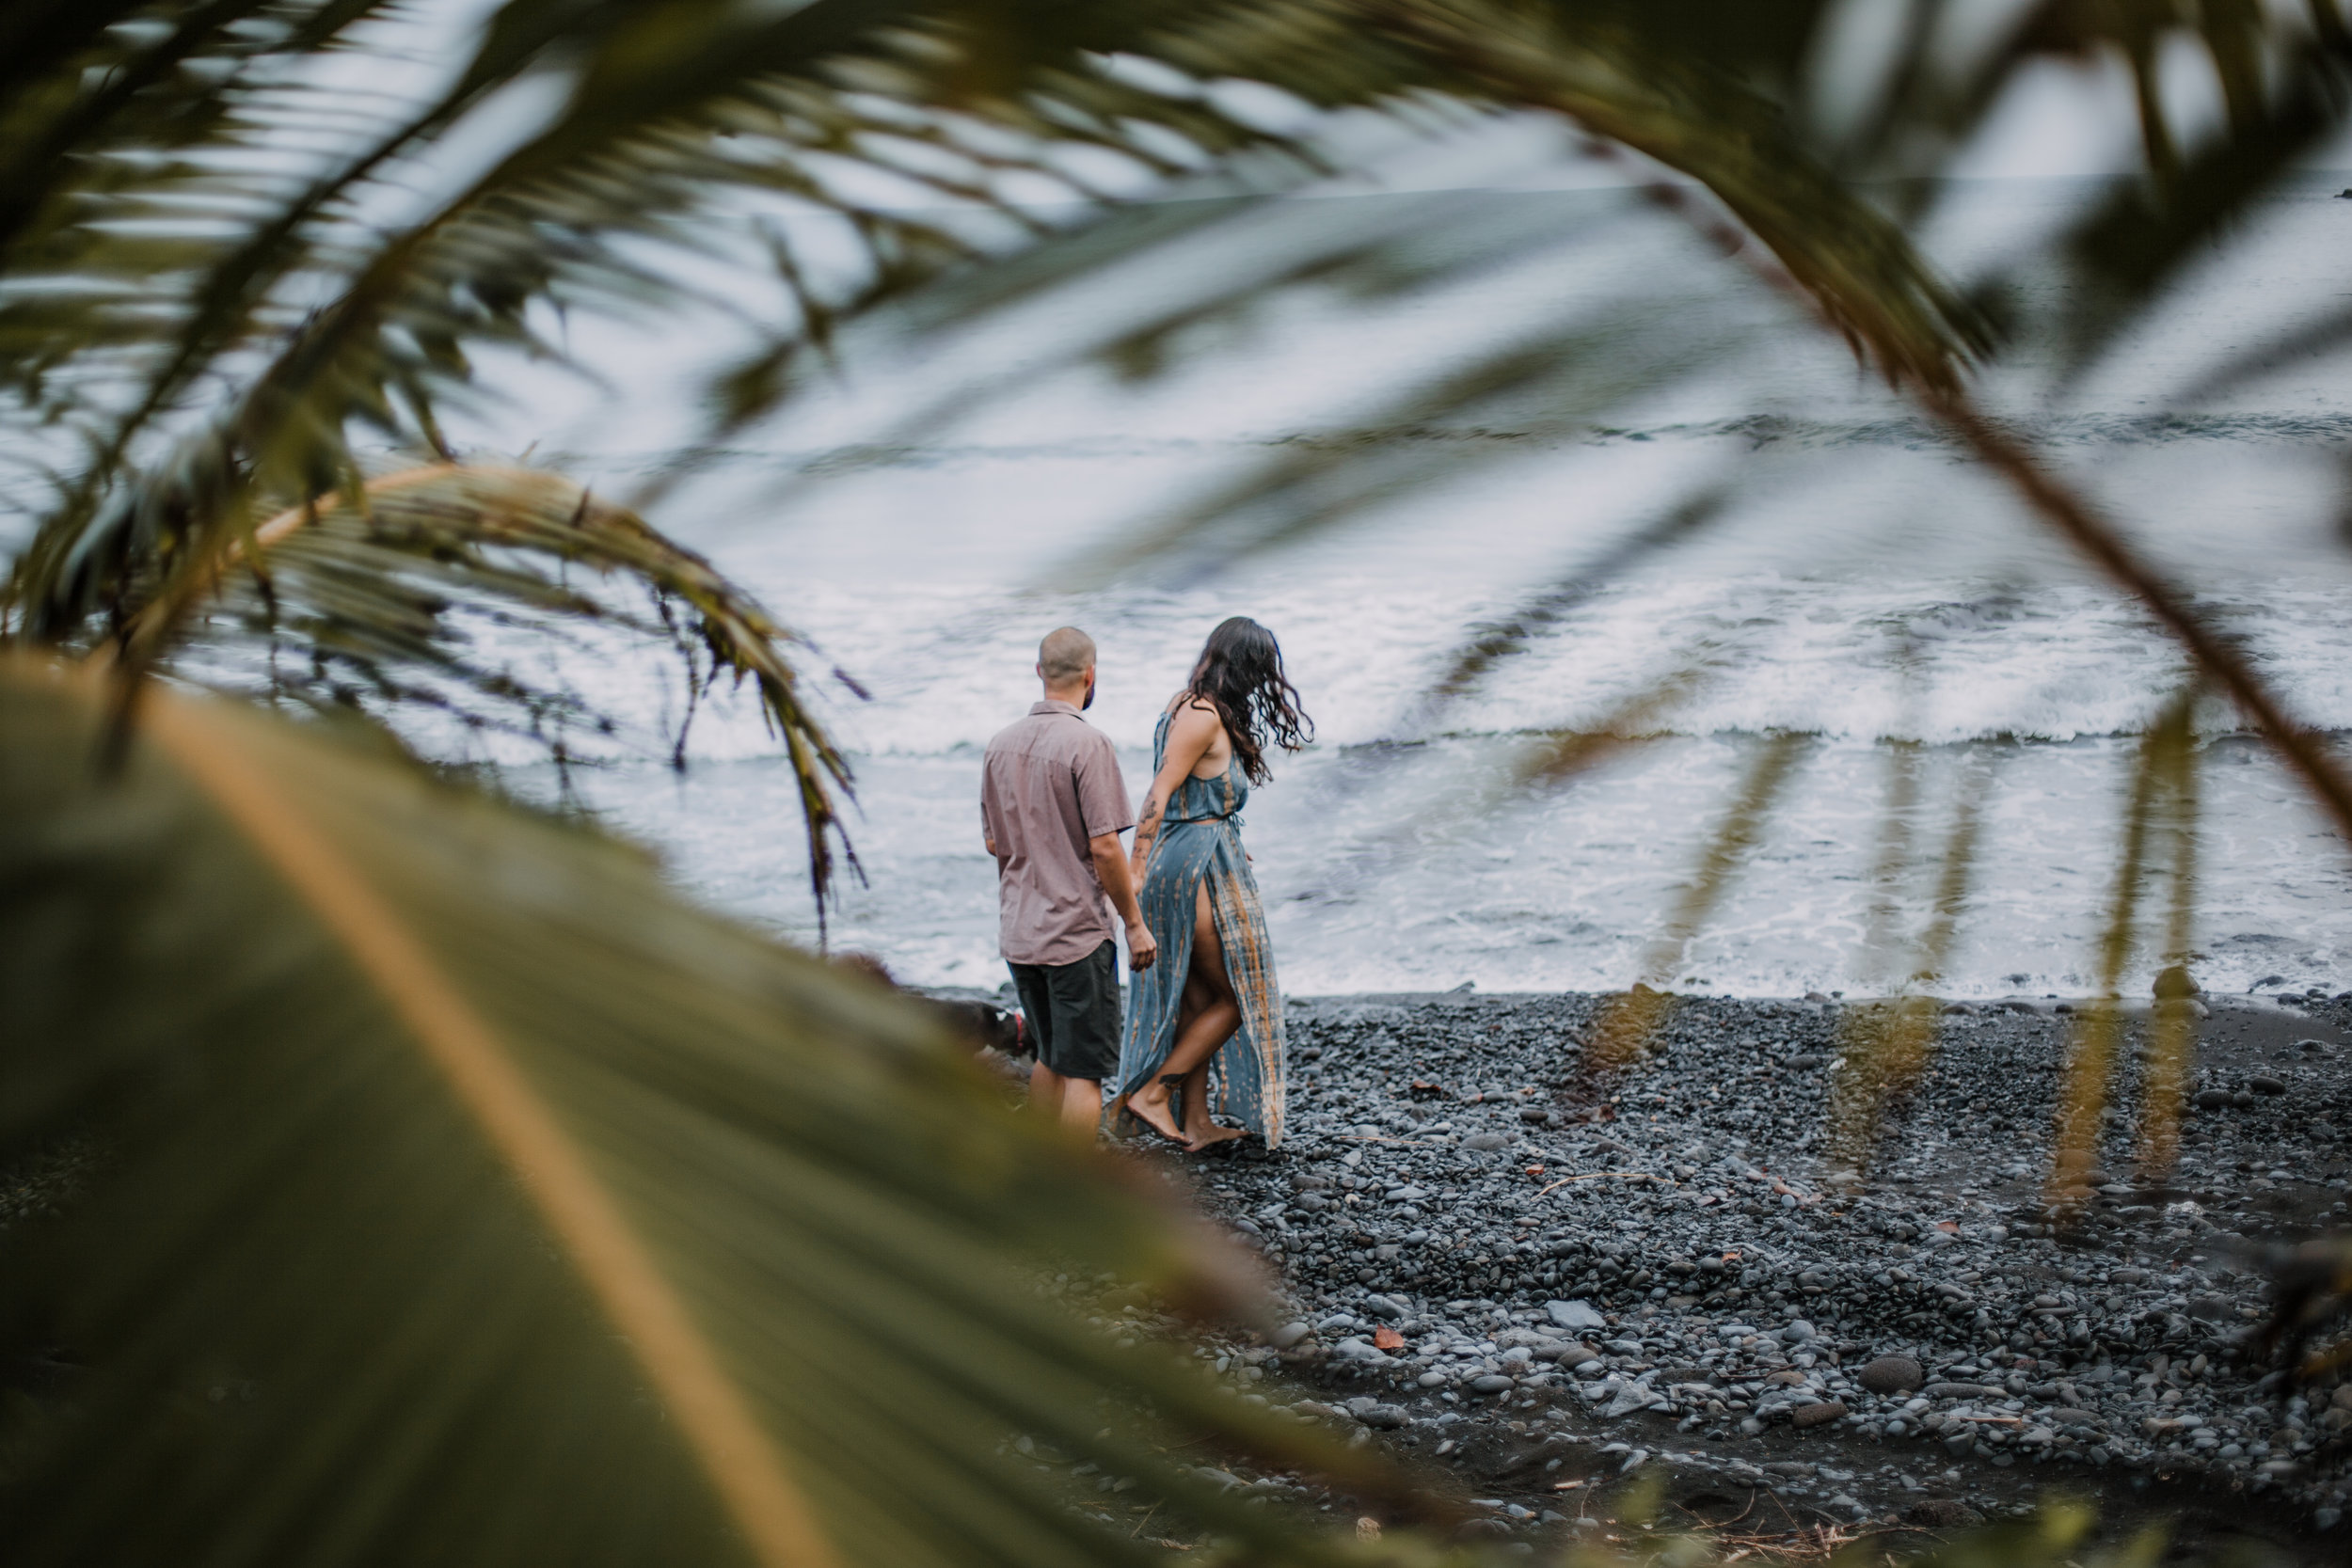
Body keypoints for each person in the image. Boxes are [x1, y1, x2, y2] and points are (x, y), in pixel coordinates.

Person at [1112, 617, 1311, 1151]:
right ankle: (1154, 1092)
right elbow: (1159, 793)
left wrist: (1225, 835)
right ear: (1245, 668)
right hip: (1188, 869)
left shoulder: (1188, 704)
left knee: (1200, 1000)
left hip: (1202, 856)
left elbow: (1190, 798)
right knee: (1236, 995)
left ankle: (1196, 1124)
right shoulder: (1200, 717)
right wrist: (1135, 867)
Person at [981, 626, 1157, 1137]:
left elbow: (995, 843)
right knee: (1084, 1072)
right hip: (1075, 936)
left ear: (1039, 672)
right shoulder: (1088, 743)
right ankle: (1073, 1194)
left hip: (1020, 931)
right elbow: (1105, 847)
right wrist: (1134, 924)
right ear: (1091, 675)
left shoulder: (999, 745)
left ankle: (1039, 1173)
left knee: (1050, 1058)